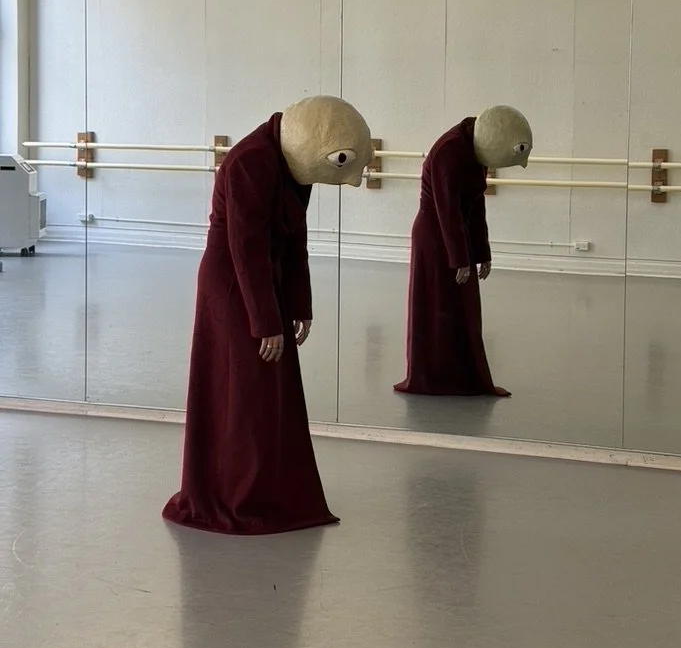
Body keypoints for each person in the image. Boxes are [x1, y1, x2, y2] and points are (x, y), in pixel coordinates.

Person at [163, 96, 372, 535]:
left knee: (269, 392)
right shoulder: (250, 162)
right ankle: (236, 490)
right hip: (233, 286)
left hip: (263, 280)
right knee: (244, 388)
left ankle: (267, 484)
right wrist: (265, 321)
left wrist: (299, 304)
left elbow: (295, 238)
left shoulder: (296, 157)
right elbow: (246, 249)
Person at [394, 105, 533, 398]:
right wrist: (459, 257)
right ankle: (432, 378)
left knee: (463, 309)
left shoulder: (476, 148)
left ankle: (464, 377)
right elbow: (447, 210)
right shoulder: (450, 149)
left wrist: (481, 253)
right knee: (437, 307)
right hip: (435, 237)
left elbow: (474, 205)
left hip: (455, 235)